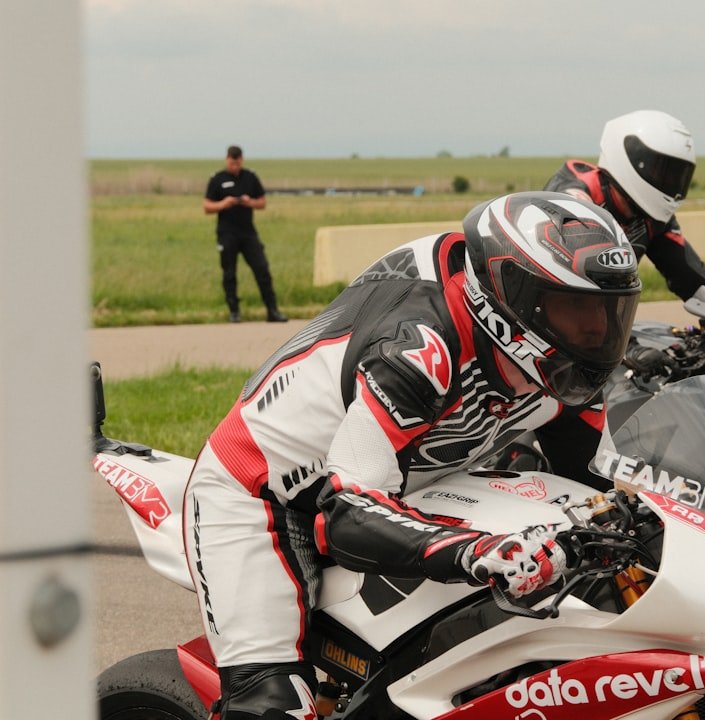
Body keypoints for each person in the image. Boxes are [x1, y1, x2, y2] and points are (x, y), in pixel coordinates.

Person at [182, 191, 641, 718]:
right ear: (513, 297)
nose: (599, 333)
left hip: (408, 486)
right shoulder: (420, 347)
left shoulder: (557, 368)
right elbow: (348, 517)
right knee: (273, 703)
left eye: (610, 311)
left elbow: (595, 483)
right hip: (266, 498)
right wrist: (479, 552)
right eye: (576, 309)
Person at [545, 109, 705, 302]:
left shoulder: (651, 217)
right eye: (662, 172)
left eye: (677, 176)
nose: (671, 183)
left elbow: (690, 276)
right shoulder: (576, 196)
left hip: (608, 314)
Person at [203, 145, 288, 323]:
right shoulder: (217, 179)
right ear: (227, 160)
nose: (235, 166)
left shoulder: (250, 177)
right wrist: (224, 203)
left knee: (262, 269)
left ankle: (272, 310)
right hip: (227, 233)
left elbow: (262, 203)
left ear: (242, 160)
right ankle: (234, 311)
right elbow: (207, 206)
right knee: (229, 273)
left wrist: (249, 202)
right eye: (232, 163)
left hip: (248, 233)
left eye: (238, 163)